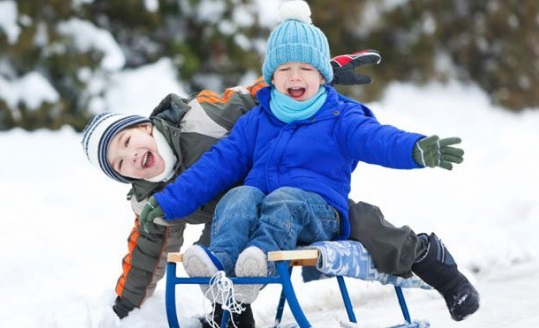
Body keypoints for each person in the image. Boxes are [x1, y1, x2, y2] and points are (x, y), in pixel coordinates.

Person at [137, 0, 479, 324]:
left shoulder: (340, 116)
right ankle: (224, 280)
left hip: (317, 209)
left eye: (306, 68)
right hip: (263, 210)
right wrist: (168, 201)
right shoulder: (257, 120)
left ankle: (258, 264)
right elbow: (215, 166)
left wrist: (415, 149)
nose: (295, 77)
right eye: (284, 69)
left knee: (304, 205)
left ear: (322, 76)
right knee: (235, 197)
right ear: (272, 77)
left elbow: (377, 139)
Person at [80, 49, 385, 327]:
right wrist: (122, 308)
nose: (130, 156)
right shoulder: (152, 201)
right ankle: (230, 315)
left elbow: (255, 96)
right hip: (231, 216)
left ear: (145, 127)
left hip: (290, 179)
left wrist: (318, 73)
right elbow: (146, 255)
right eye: (120, 165)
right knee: (215, 248)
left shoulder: (199, 117)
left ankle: (411, 253)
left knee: (358, 225)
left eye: (127, 142)